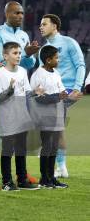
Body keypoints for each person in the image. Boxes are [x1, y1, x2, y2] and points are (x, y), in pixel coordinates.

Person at [0, 1, 39, 186]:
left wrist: (30, 55)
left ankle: (21, 177)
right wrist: (23, 56)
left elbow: (29, 65)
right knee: (0, 136)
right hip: (5, 97)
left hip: (19, 102)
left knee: (20, 143)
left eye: (22, 13)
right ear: (7, 13)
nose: (20, 16)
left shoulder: (24, 35)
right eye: (17, 13)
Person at [38, 14, 85, 178]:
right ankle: (60, 165)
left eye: (44, 24)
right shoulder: (43, 50)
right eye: (40, 25)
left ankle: (58, 164)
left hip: (68, 89)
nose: (41, 27)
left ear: (55, 26)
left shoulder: (69, 42)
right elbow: (41, 73)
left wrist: (78, 87)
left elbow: (80, 65)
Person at [30, 46, 80, 189]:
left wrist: (71, 97)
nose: (59, 60)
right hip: (44, 116)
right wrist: (58, 96)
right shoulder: (38, 75)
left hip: (57, 115)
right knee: (47, 147)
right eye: (56, 58)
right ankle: (44, 179)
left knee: (53, 148)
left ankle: (51, 178)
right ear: (48, 60)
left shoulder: (56, 73)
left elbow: (61, 93)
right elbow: (38, 98)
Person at [0, 42, 38, 191]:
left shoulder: (23, 71)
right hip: (6, 117)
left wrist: (36, 92)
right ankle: (7, 182)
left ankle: (22, 180)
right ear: (5, 56)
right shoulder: (0, 74)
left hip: (21, 116)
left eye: (19, 53)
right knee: (7, 149)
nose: (18, 56)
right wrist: (10, 90)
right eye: (15, 53)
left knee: (21, 149)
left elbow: (27, 92)